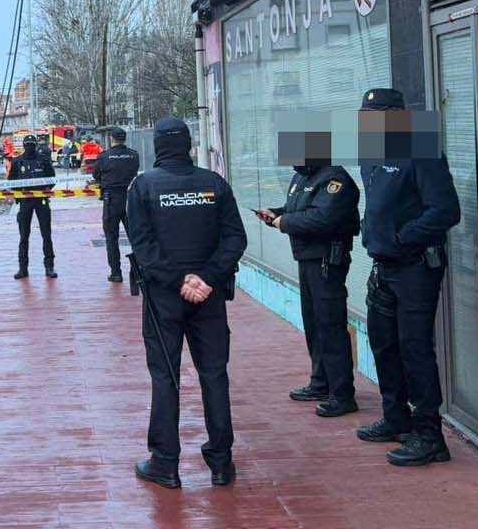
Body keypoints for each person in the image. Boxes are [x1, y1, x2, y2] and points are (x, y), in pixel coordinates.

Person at [126, 117, 247, 489]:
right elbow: (235, 239)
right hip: (208, 297)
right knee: (214, 375)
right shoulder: (214, 184)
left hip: (164, 298)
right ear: (190, 146)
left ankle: (165, 463)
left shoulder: (143, 186)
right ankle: (221, 462)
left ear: (158, 147)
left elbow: (143, 246)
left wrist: (179, 281)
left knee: (165, 377)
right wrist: (206, 278)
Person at [357, 88, 460, 467]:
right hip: (383, 266)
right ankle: (396, 418)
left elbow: (446, 210)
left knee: (415, 349)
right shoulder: (371, 153)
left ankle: (430, 436)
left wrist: (403, 237)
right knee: (384, 344)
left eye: (374, 115)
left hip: (416, 266)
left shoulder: (422, 150)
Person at [255, 134, 361, 418]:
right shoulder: (302, 177)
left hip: (327, 260)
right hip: (307, 259)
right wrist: (275, 214)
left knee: (330, 325)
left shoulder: (335, 179)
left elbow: (321, 218)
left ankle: (342, 394)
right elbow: (296, 210)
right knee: (314, 324)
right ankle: (321, 382)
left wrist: (284, 222)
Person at [93, 127, 141, 283]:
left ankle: (116, 273)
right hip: (130, 200)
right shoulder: (134, 155)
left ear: (111, 139)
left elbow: (96, 174)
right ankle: (139, 271)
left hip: (111, 200)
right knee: (135, 237)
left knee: (111, 238)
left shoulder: (104, 156)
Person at [8, 134, 57, 279]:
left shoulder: (44, 160)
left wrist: (46, 189)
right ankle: (23, 268)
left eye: (32, 145)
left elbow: (52, 178)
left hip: (41, 200)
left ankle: (49, 267)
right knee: (24, 236)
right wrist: (20, 191)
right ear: (24, 146)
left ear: (35, 145)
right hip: (25, 201)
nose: (30, 147)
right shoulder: (17, 161)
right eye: (27, 145)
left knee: (46, 234)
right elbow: (11, 181)